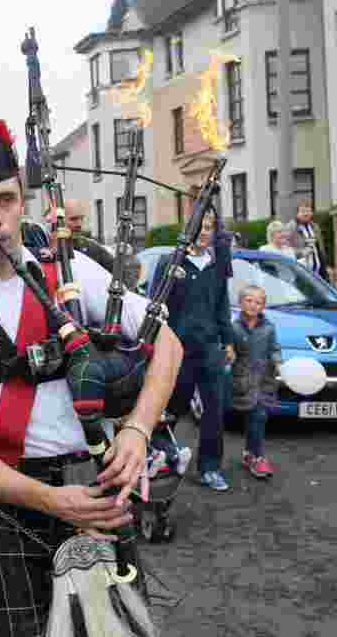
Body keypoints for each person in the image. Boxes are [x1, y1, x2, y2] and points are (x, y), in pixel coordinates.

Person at [0, 123, 182, 637]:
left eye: (5, 198)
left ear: (22, 201)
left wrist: (138, 429)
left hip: (97, 485)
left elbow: (167, 342)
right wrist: (51, 500)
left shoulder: (72, 269)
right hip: (14, 499)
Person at [151, 209, 235, 491]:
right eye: (199, 226)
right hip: (178, 350)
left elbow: (222, 305)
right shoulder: (170, 262)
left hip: (210, 348)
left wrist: (229, 340)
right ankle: (160, 458)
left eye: (209, 227)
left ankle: (209, 468)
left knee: (215, 410)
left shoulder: (218, 264)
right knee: (171, 409)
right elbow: (154, 304)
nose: (204, 232)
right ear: (189, 228)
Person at [229, 285, 281, 479]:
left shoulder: (268, 328)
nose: (253, 305)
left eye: (258, 302)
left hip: (264, 381)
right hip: (242, 380)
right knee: (253, 418)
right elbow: (227, 350)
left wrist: (278, 361)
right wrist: (228, 355)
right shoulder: (233, 328)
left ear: (263, 306)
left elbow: (275, 349)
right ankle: (253, 455)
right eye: (249, 300)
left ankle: (255, 456)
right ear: (241, 302)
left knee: (259, 417)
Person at [284, 199, 334, 282]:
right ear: (297, 213)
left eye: (308, 211)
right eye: (303, 211)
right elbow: (285, 249)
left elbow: (320, 249)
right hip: (302, 274)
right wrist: (301, 253)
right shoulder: (291, 227)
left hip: (319, 274)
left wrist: (326, 266)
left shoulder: (315, 227)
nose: (306, 214)